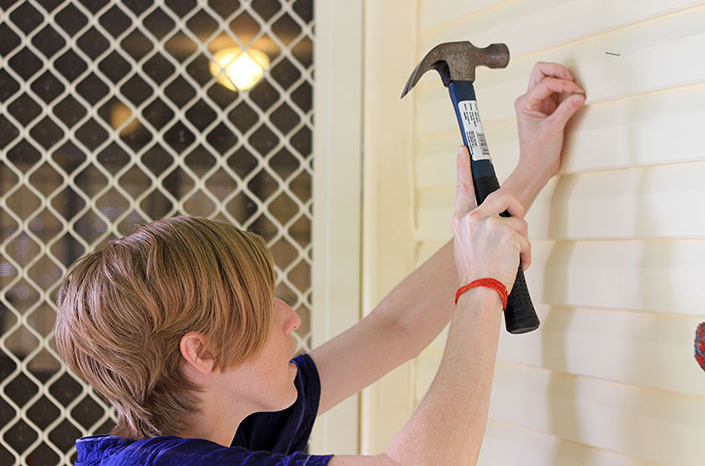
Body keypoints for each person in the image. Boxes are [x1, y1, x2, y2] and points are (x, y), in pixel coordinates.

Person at [54, 62, 585, 466]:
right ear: (203, 352)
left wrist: (523, 178)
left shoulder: (225, 421)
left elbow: (393, 329)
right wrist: (484, 287)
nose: (291, 317)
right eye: (263, 308)